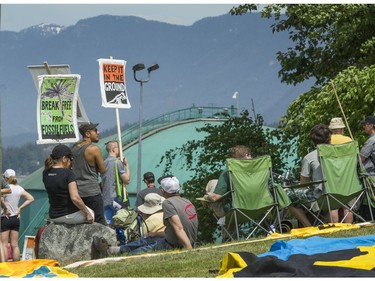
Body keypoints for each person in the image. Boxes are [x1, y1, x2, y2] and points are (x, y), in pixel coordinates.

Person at [110, 175, 198, 255]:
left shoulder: (168, 203)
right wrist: (156, 234)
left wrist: (188, 249)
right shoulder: (187, 201)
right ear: (178, 189)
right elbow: (179, 229)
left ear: (163, 191)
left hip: (174, 245)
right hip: (183, 241)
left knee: (138, 252)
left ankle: (121, 252)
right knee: (149, 239)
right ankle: (120, 249)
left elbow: (178, 228)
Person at [286, 124, 331, 227]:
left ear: (313, 140)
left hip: (322, 196)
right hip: (344, 193)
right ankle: (325, 221)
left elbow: (303, 184)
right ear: (329, 138)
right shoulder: (341, 153)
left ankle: (309, 226)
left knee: (286, 196)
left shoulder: (309, 157)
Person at [43, 144, 94, 225]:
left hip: (54, 216)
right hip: (69, 215)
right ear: (64, 159)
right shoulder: (68, 173)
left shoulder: (46, 172)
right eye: (71, 159)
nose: (71, 162)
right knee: (92, 213)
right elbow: (75, 198)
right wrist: (87, 214)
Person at [72, 122, 106, 225]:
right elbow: (103, 170)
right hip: (92, 192)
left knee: (82, 223)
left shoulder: (74, 148)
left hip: (77, 192)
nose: (98, 132)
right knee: (99, 223)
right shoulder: (94, 149)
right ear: (87, 134)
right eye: (95, 130)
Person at [1, 169, 34, 261]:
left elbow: (1, 201)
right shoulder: (19, 188)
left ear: (6, 178)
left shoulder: (5, 189)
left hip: (5, 217)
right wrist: (20, 208)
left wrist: (5, 208)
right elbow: (31, 198)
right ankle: (17, 265)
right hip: (15, 218)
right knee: (14, 245)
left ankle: (5, 266)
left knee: (3, 244)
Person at [328, 117, 353, 223]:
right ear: (342, 128)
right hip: (347, 175)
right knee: (347, 204)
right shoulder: (349, 140)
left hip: (332, 175)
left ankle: (335, 228)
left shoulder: (327, 141)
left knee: (333, 206)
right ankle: (348, 227)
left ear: (331, 129)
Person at [102, 140, 130, 226]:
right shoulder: (118, 162)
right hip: (116, 199)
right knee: (120, 223)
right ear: (113, 149)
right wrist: (127, 165)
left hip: (106, 199)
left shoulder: (103, 163)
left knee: (109, 225)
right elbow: (127, 180)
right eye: (119, 148)